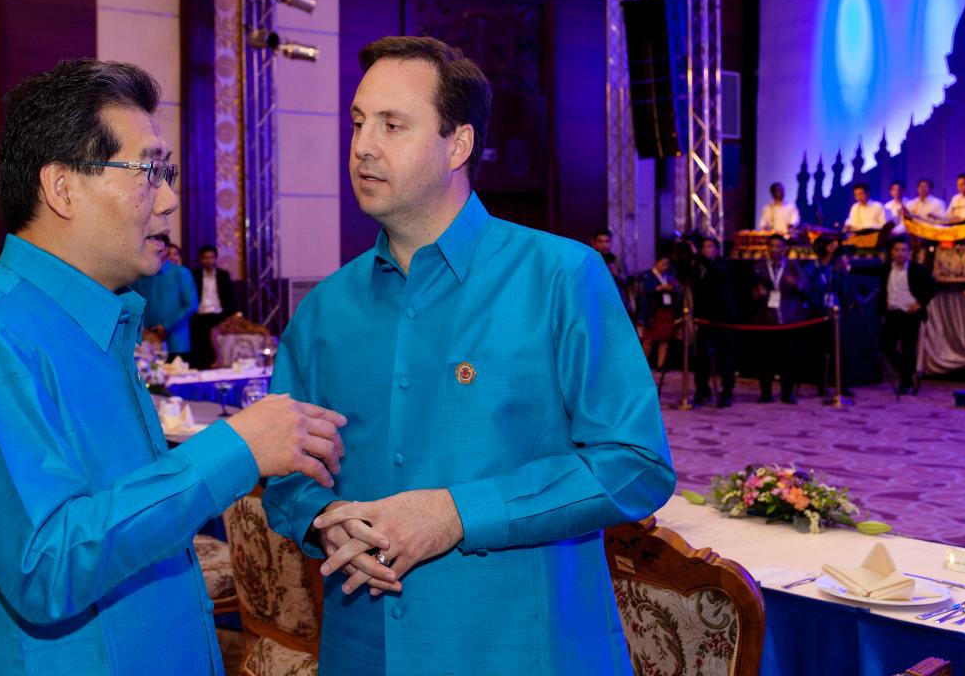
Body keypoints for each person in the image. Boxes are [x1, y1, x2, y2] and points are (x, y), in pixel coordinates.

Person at [0, 58, 346, 676]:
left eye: (169, 173)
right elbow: (46, 565)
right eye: (149, 172)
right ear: (62, 188)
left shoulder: (100, 327)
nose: (168, 200)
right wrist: (233, 449)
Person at [263, 36, 675, 675]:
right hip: (365, 650)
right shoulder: (325, 309)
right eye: (358, 122)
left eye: (392, 125)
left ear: (457, 145)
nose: (363, 145)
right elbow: (288, 474)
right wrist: (322, 519)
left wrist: (457, 514)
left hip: (521, 650)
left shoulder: (560, 276)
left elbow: (636, 465)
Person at [752, 234, 809, 404]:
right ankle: (765, 393)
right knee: (765, 359)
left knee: (788, 359)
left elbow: (806, 287)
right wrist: (757, 294)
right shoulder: (759, 267)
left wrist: (796, 284)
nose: (775, 249)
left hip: (788, 318)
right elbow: (752, 292)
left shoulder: (793, 267)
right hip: (766, 319)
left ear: (784, 249)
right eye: (772, 246)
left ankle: (787, 393)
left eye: (778, 246)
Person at [877, 237, 936, 394]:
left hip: (910, 314)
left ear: (909, 253)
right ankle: (910, 374)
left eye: (904, 250)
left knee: (909, 349)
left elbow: (932, 286)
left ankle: (905, 384)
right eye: (897, 250)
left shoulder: (916, 269)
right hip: (892, 313)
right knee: (886, 345)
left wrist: (920, 303)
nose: (900, 253)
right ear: (891, 252)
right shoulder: (885, 269)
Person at [131, 242, 199, 359]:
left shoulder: (181, 273)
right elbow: (134, 302)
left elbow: (190, 305)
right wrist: (142, 327)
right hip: (148, 340)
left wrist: (165, 326)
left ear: (166, 249)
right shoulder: (143, 274)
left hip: (176, 340)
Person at [691, 236, 736, 408]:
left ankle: (727, 392)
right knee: (701, 358)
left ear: (717, 249)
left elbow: (719, 275)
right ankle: (702, 390)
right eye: (704, 247)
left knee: (726, 358)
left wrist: (701, 258)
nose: (707, 250)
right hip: (704, 319)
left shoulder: (723, 264)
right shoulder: (698, 266)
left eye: (710, 246)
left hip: (724, 319)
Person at [806, 235, 851, 397]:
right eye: (830, 244)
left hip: (836, 311)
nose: (833, 247)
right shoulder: (813, 266)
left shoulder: (838, 265)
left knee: (840, 349)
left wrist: (843, 272)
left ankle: (842, 385)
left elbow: (844, 289)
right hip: (818, 312)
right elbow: (809, 288)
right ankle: (821, 384)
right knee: (820, 348)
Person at [190, 244, 235, 368]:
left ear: (216, 258)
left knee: (213, 332)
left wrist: (228, 316)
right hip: (200, 314)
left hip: (218, 315)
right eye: (205, 257)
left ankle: (216, 363)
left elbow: (230, 298)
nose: (209, 260)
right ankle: (202, 366)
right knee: (198, 335)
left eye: (211, 257)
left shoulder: (223, 275)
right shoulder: (195, 275)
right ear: (200, 259)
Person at [636, 251, 681, 374]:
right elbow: (644, 290)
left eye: (667, 264)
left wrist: (673, 288)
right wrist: (659, 288)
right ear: (657, 263)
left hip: (666, 310)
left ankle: (660, 364)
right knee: (649, 339)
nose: (665, 267)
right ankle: (643, 364)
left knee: (665, 339)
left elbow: (677, 287)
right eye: (663, 264)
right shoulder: (647, 275)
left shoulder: (669, 276)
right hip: (652, 311)